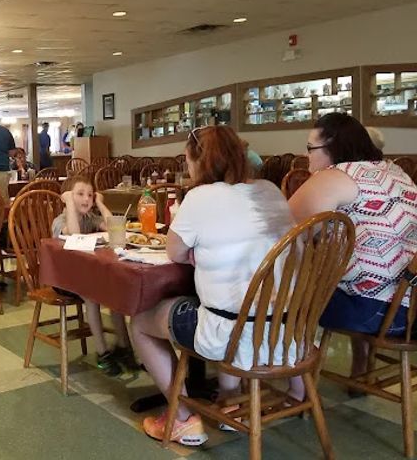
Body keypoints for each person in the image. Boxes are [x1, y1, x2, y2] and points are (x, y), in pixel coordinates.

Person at [131, 126, 293, 446]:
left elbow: (174, 251)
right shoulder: (270, 190)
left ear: (197, 161)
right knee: (232, 302)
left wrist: (197, 250)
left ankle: (181, 418)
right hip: (287, 332)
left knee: (141, 322)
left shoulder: (200, 196)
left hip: (231, 333)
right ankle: (232, 402)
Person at [289, 113, 417, 383]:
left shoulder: (335, 176)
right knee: (352, 275)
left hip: (377, 314)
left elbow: (284, 229)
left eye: (311, 148)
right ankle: (361, 365)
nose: (306, 155)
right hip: (412, 308)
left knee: (291, 296)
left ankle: (296, 390)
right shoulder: (395, 171)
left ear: (332, 148)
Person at [52, 174, 137, 376]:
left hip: (91, 275)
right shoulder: (60, 220)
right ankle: (103, 352)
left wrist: (100, 202)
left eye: (90, 195)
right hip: (64, 278)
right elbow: (73, 234)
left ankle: (123, 346)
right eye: (79, 194)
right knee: (92, 297)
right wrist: (69, 205)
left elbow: (114, 227)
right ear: (67, 197)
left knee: (115, 291)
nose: (86, 199)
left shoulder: (91, 217)